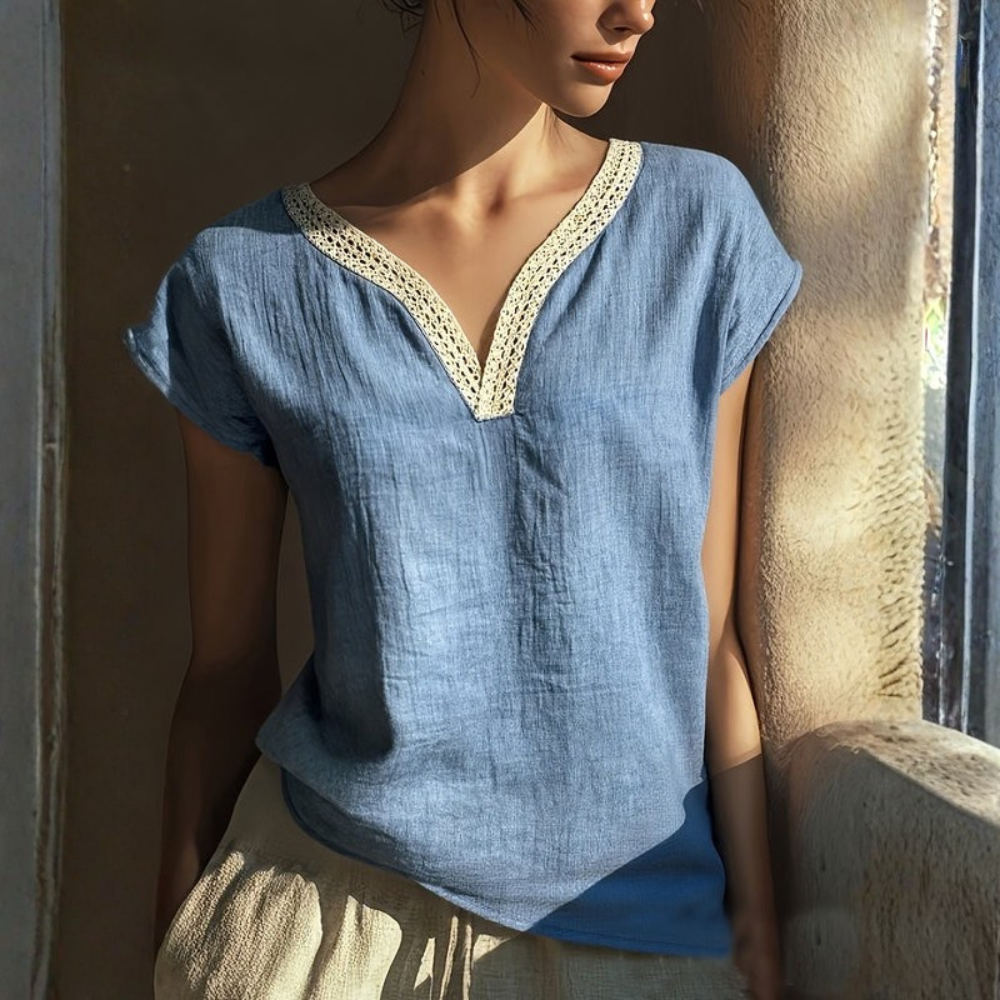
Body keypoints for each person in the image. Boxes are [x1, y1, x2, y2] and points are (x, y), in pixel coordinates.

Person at [121, 0, 803, 996]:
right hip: (322, 931)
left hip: (642, 938)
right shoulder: (241, 281)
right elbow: (225, 674)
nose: (638, 14)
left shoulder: (699, 229)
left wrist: (759, 947)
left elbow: (707, 639)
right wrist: (171, 946)